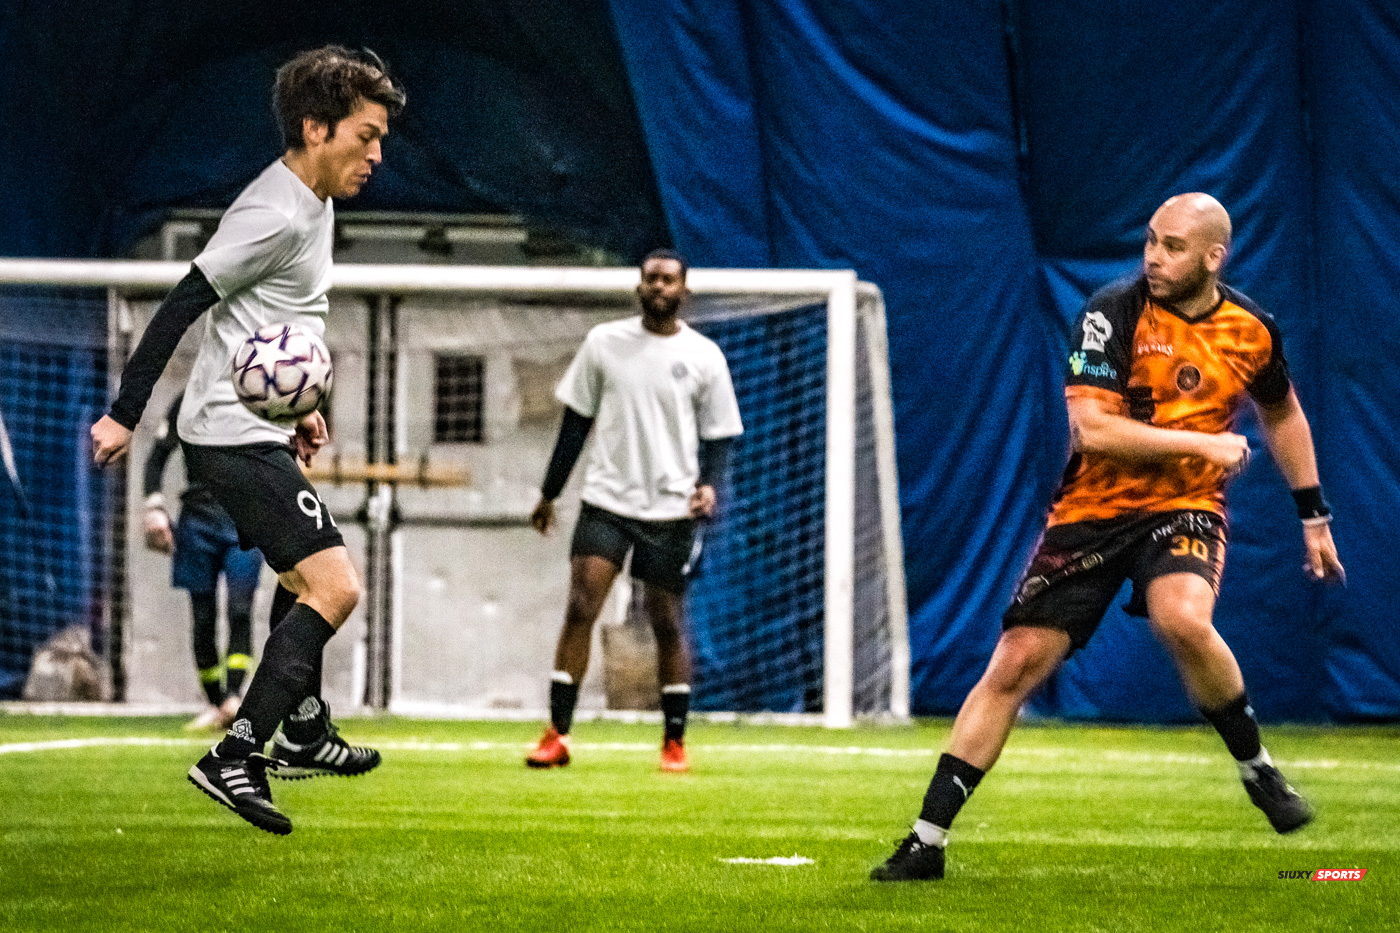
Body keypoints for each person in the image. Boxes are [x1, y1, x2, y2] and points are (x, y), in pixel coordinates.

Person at [872, 193, 1346, 882]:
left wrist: (1314, 515)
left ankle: (1258, 768)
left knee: (1182, 617)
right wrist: (1203, 443)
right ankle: (925, 841)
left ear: (1215, 256)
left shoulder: (1251, 329)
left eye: (1174, 245)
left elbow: (1284, 413)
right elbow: (1092, 430)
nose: (1154, 255)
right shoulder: (1111, 311)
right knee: (1014, 664)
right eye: (1151, 240)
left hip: (1184, 504)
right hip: (1093, 511)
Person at [90, 46, 405, 835]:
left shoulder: (313, 200)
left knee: (304, 582)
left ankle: (302, 727)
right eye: (365, 136)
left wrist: (302, 405)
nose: (378, 153)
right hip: (226, 437)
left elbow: (271, 324)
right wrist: (125, 413)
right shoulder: (273, 210)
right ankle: (235, 752)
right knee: (336, 587)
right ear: (315, 127)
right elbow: (183, 304)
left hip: (252, 426)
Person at [525, 250, 743, 773]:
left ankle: (674, 741)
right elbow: (575, 423)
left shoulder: (705, 355)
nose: (659, 286)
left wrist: (709, 485)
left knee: (666, 620)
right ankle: (557, 734)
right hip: (607, 501)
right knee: (581, 607)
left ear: (684, 290)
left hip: (669, 509)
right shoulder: (604, 343)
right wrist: (550, 493)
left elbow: (719, 436)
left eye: (669, 279)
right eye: (651, 278)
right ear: (639, 286)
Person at [143, 393, 263, 732]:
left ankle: (236, 698)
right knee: (203, 617)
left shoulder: (258, 392)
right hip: (197, 524)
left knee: (240, 610)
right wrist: (154, 507)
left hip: (245, 522)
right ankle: (217, 702)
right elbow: (156, 458)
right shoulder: (188, 399)